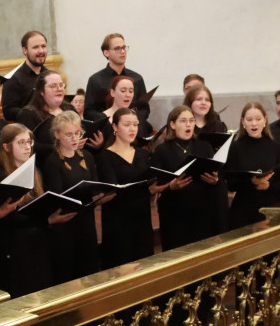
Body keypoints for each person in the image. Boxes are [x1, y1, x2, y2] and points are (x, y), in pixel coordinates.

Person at [0, 124, 65, 297]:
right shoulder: (0, 176)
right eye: (21, 143)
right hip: (15, 246)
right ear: (6, 147)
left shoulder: (34, 170)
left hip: (37, 241)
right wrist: (46, 220)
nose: (28, 147)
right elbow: (8, 217)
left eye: (29, 142)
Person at [149, 105, 228, 250]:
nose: (188, 125)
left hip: (203, 211)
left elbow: (219, 176)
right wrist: (170, 186)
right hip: (176, 215)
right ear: (172, 124)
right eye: (183, 121)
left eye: (191, 121)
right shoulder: (162, 150)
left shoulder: (204, 146)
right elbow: (154, 188)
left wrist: (215, 180)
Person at [42, 111, 102, 283]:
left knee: (89, 271)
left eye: (78, 133)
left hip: (86, 221)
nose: (74, 138)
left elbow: (95, 185)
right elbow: (56, 197)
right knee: (68, 274)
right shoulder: (53, 161)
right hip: (66, 225)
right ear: (57, 135)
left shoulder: (87, 157)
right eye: (69, 134)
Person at [96, 108, 156, 268]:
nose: (132, 129)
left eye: (135, 125)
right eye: (127, 124)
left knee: (145, 267)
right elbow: (113, 193)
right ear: (115, 127)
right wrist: (146, 190)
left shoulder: (143, 155)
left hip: (142, 219)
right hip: (118, 223)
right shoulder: (105, 156)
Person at [226, 102, 280, 230]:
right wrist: (251, 182)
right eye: (249, 120)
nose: (254, 123)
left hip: (269, 208)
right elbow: (230, 183)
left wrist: (269, 185)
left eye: (258, 119)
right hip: (243, 208)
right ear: (243, 122)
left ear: (265, 120)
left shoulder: (275, 146)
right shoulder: (235, 147)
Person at [83, 33, 151, 126]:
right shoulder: (96, 80)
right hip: (107, 129)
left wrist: (131, 119)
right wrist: (108, 119)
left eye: (124, 47)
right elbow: (88, 112)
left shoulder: (137, 78)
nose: (122, 51)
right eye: (117, 48)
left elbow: (145, 109)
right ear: (106, 53)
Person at [17, 70, 72, 166]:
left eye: (61, 85)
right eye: (53, 86)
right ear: (41, 91)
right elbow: (29, 146)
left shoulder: (70, 109)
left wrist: (95, 144)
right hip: (46, 166)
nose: (59, 89)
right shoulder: (29, 114)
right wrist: (59, 147)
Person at [1, 30, 50, 122]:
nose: (41, 51)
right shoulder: (13, 79)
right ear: (25, 50)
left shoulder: (49, 75)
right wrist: (33, 113)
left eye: (43, 46)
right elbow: (8, 112)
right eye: (35, 47)